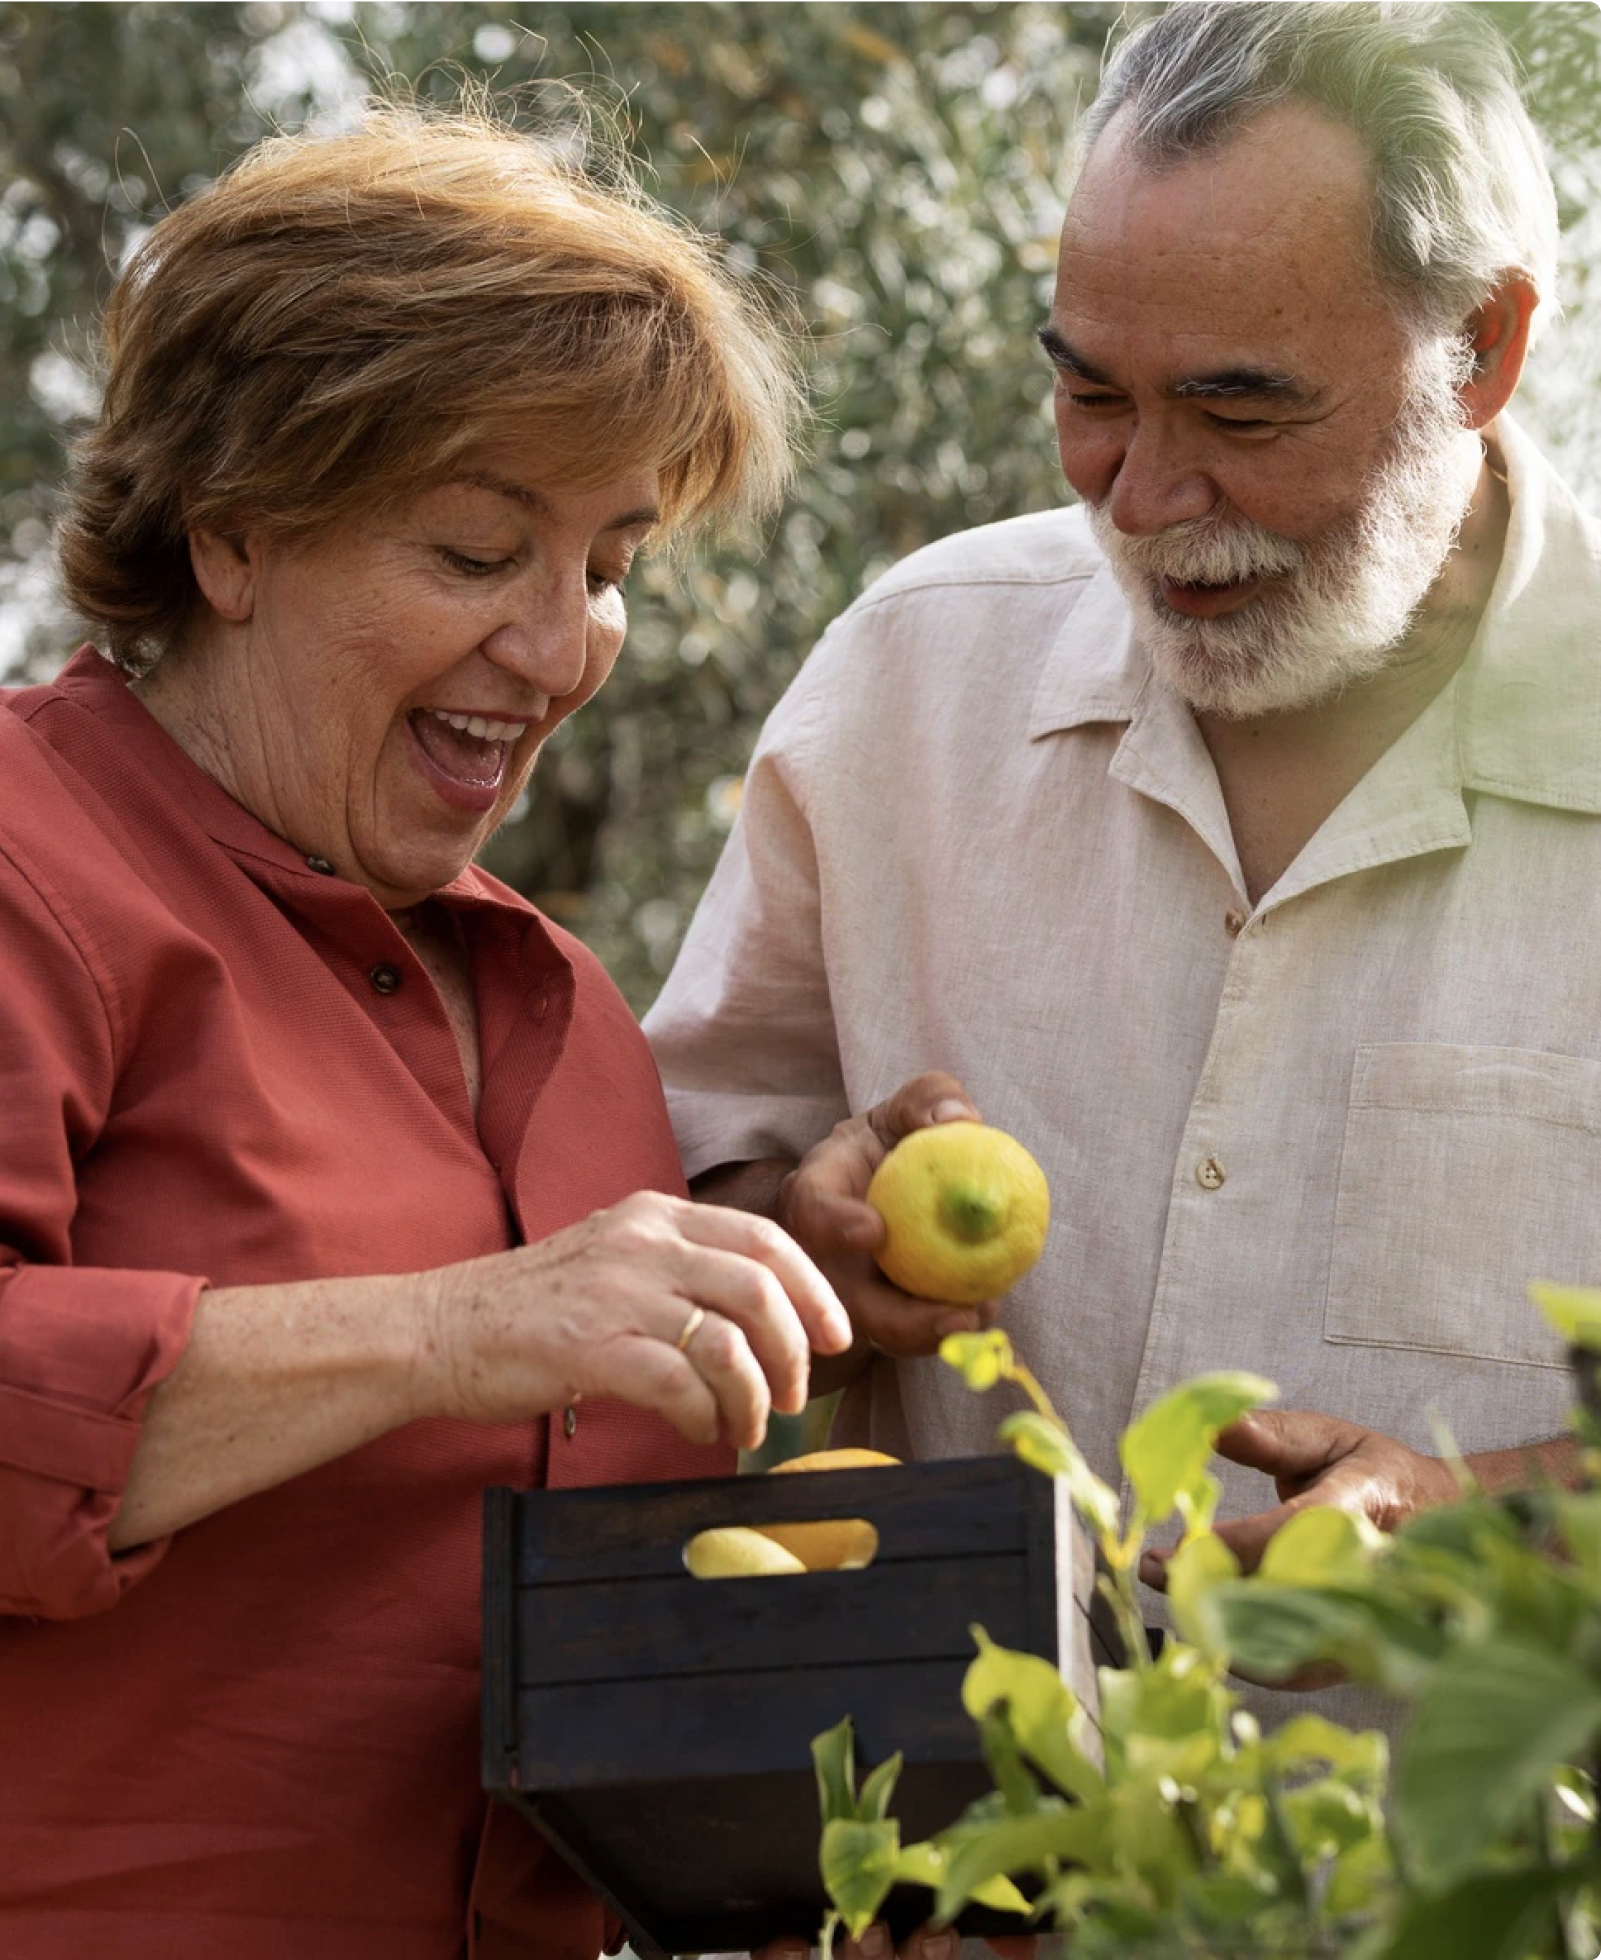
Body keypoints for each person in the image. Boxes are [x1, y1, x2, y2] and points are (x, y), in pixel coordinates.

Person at [649, 0, 1601, 1826]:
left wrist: (1495, 1529)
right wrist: (804, 1245)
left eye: (1242, 405)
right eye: (1091, 392)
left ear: (1481, 348)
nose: (1147, 497)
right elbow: (691, 1198)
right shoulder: (912, 683)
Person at [0, 100, 854, 1960]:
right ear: (232, 532)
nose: (563, 645)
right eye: (474, 550)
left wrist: (793, 1280)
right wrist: (458, 1327)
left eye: (608, 562)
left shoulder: (566, 1012)